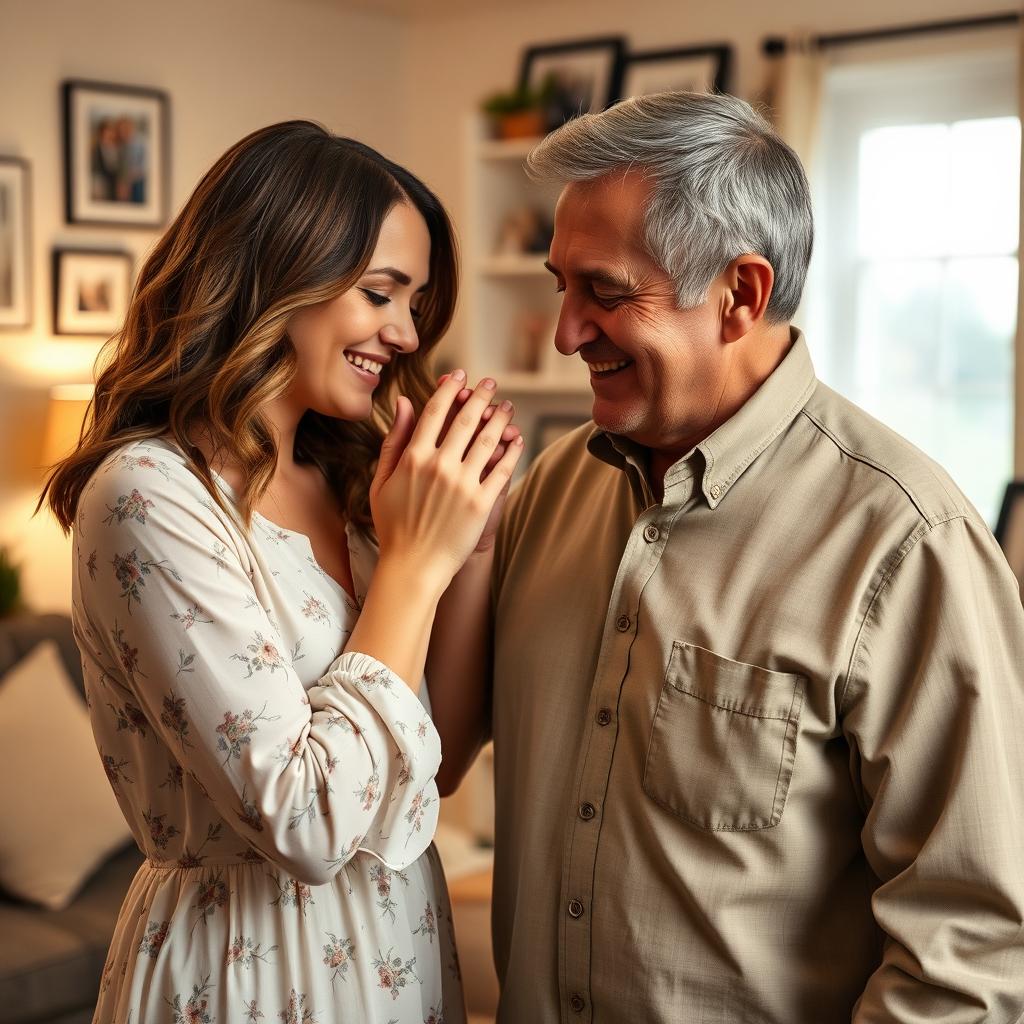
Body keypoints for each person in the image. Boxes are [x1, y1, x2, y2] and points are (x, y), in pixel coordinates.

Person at [434, 91, 1024, 1022]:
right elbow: (427, 755)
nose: (565, 333)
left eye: (608, 292)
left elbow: (974, 956)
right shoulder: (545, 491)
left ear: (740, 295)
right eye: (561, 285)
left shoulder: (912, 547)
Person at [40, 120, 523, 1024]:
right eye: (381, 292)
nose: (406, 332)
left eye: (415, 302)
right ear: (277, 273)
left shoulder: (354, 483)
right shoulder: (149, 495)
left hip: (397, 953)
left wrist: (472, 542)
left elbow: (437, 763)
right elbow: (306, 821)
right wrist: (416, 565)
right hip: (242, 971)